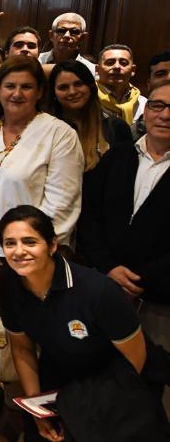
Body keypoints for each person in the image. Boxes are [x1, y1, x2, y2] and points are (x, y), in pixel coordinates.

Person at [0, 205, 168, 441]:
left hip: (118, 379)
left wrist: (99, 412)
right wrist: (36, 408)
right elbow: (22, 349)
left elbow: (135, 358)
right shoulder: (10, 287)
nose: (19, 251)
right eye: (10, 243)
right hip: (62, 376)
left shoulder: (97, 290)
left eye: (30, 242)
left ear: (52, 245)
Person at [0, 55, 84, 305]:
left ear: (40, 92)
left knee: (36, 332)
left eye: (26, 87)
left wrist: (20, 249)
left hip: (36, 257)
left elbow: (62, 203)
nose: (17, 94)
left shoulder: (59, 134)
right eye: (10, 86)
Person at [78, 81, 170, 414]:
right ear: (146, 111)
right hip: (107, 285)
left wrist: (141, 278)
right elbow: (90, 215)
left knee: (155, 389)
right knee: (104, 381)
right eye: (158, 105)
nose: (164, 115)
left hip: (161, 301)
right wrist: (108, 267)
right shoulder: (119, 155)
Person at [49, 60, 132, 172]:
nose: (72, 92)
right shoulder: (48, 129)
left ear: (91, 86)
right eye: (63, 87)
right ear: (54, 93)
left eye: (78, 84)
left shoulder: (115, 128)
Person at [96, 44, 148, 126]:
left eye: (123, 63)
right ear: (97, 70)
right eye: (110, 63)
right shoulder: (87, 99)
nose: (117, 66)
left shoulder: (144, 104)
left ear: (133, 70)